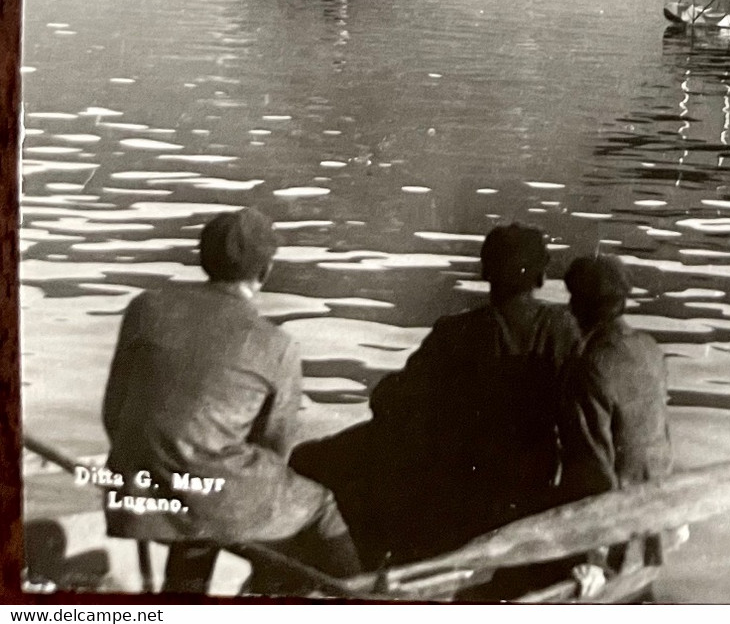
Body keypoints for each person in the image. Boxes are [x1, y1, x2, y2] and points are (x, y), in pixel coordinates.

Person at [100, 209, 361, 594]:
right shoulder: (277, 344)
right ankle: (370, 601)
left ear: (202, 257)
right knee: (320, 506)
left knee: (208, 493)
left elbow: (113, 413)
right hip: (201, 494)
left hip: (132, 491)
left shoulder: (144, 308)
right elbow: (276, 448)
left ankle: (181, 600)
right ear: (265, 271)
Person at [292, 223, 580, 567]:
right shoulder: (563, 332)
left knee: (308, 458)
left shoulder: (455, 332)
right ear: (541, 277)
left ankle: (352, 563)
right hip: (530, 483)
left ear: (485, 272)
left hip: (462, 486)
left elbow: (393, 401)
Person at [556, 254, 674, 598]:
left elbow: (593, 465)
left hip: (614, 528)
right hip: (651, 514)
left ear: (581, 306)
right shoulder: (649, 349)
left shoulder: (589, 365)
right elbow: (657, 436)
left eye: (574, 300)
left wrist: (593, 556)